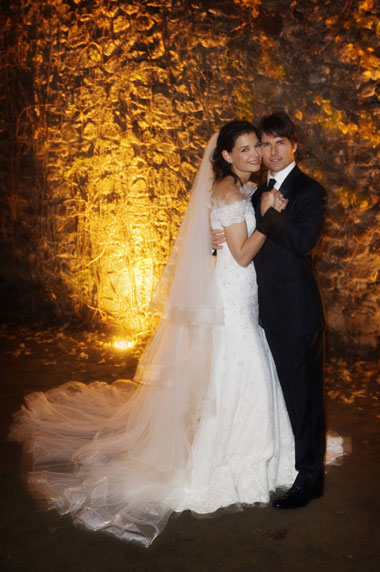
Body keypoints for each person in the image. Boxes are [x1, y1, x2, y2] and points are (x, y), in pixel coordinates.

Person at [8, 120, 297, 547]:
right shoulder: (230, 191)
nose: (256, 154)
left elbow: (215, 235)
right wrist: (269, 218)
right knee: (244, 362)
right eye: (246, 149)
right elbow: (241, 254)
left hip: (239, 291)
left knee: (240, 363)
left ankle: (256, 454)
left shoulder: (237, 189)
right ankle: (231, 461)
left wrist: (252, 210)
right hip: (235, 288)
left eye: (258, 146)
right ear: (226, 156)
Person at [212, 111, 327, 509]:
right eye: (265, 143)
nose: (270, 151)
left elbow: (303, 243)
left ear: (294, 146)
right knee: (275, 394)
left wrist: (269, 215)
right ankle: (283, 461)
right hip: (259, 310)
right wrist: (218, 239)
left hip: (295, 313)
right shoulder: (254, 187)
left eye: (280, 142)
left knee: (304, 398)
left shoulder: (309, 191)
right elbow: (236, 233)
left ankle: (310, 479)